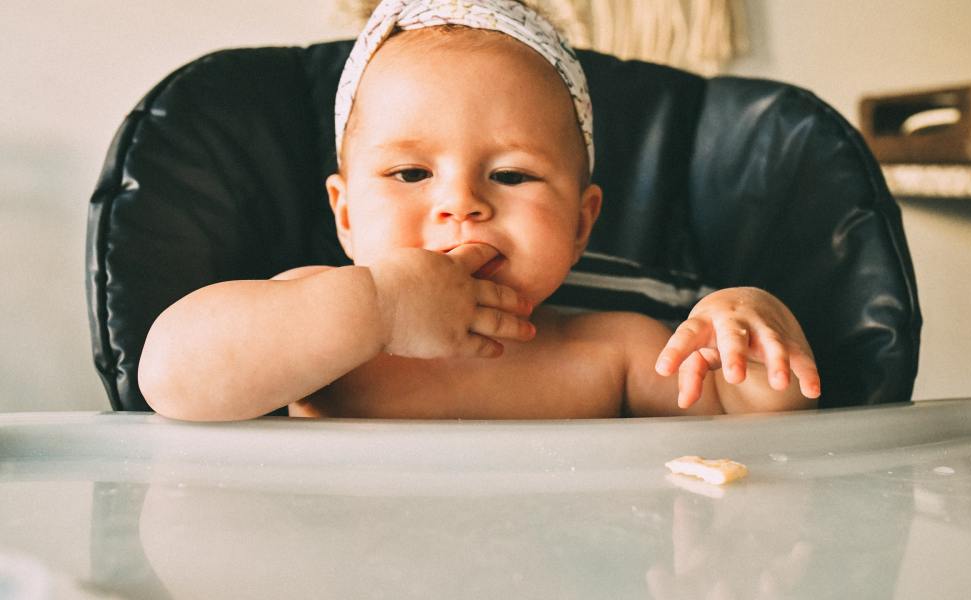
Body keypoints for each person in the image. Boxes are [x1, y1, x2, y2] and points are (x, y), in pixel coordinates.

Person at [138, 0, 821, 421]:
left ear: (581, 222)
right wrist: (376, 308)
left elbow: (763, 420)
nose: (461, 203)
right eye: (410, 172)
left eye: (511, 174)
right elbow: (171, 380)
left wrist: (751, 327)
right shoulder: (317, 321)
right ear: (345, 216)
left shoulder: (610, 347)